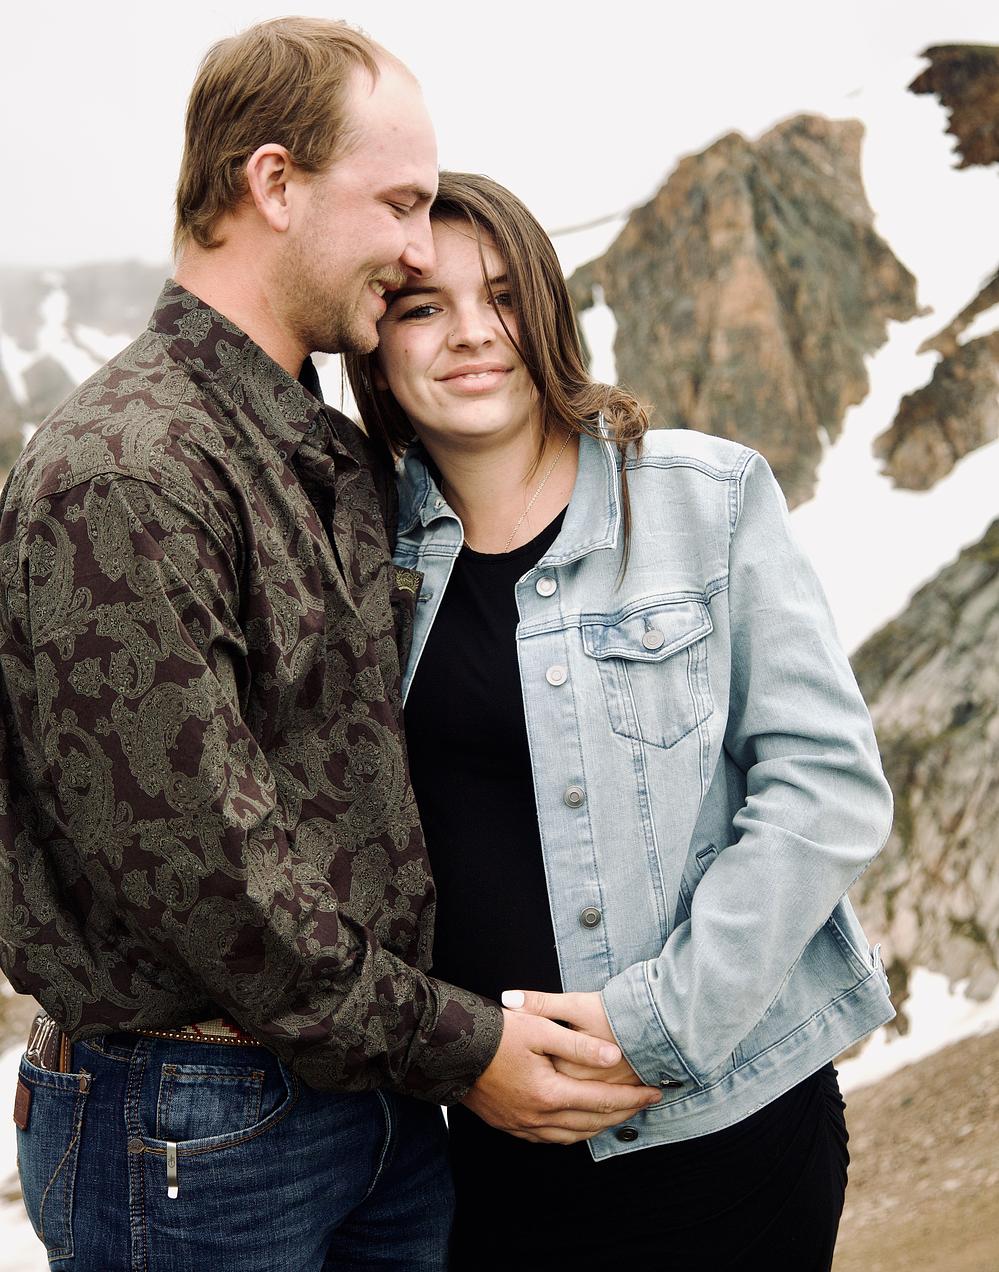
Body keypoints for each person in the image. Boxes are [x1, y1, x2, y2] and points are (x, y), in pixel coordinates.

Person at [0, 27, 659, 1272]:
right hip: (196, 1128)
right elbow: (213, 883)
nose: (418, 246)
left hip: (370, 1104)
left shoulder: (326, 448)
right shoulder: (126, 473)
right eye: (400, 203)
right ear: (273, 183)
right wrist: (466, 1050)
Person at [346, 170, 897, 1270]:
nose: (471, 333)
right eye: (422, 307)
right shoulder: (358, 555)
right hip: (494, 1154)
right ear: (376, 346)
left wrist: (658, 1026)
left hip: (731, 1132)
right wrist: (462, 1055)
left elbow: (826, 788)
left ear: (548, 311)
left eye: (503, 297)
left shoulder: (705, 498)